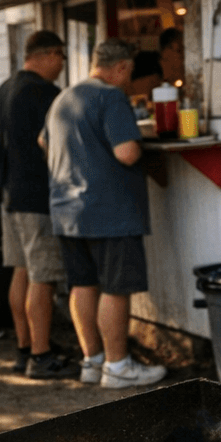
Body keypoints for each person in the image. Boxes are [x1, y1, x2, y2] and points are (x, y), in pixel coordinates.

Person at [43, 38, 166, 389]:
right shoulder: (110, 96)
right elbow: (127, 152)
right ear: (122, 67)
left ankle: (93, 361)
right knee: (115, 287)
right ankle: (118, 366)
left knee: (82, 285)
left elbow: (43, 143)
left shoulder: (63, 97)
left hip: (67, 208)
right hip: (109, 209)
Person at [0, 30, 77, 379]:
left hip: (9, 195)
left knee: (21, 272)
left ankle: (24, 347)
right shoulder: (45, 94)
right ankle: (40, 355)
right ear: (50, 54)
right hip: (37, 196)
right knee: (43, 277)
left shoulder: (3, 91)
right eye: (61, 57)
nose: (61, 66)